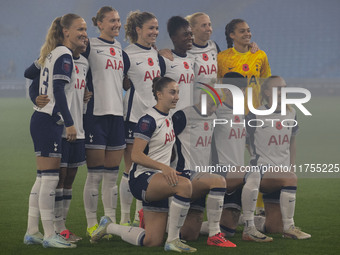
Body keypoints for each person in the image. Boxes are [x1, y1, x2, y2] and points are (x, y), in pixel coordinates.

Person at [90, 77, 197, 253]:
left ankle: (108, 226)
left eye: (178, 92)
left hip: (159, 181)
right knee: (185, 185)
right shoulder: (148, 120)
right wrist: (164, 167)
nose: (176, 96)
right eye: (172, 92)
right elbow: (136, 155)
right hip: (142, 179)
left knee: (151, 240)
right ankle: (173, 240)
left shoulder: (168, 116)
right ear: (159, 94)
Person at [23, 13, 87, 248]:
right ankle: (50, 234)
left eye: (85, 29)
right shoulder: (64, 54)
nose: (83, 33)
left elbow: (34, 76)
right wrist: (69, 121)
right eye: (79, 28)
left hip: (44, 120)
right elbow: (58, 89)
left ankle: (32, 231)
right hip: (49, 121)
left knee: (43, 179)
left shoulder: (52, 53)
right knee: (50, 180)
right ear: (65, 32)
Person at [200, 72, 273, 242]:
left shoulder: (243, 114)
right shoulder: (216, 113)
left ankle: (193, 226)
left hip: (238, 174)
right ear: (225, 89)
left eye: (242, 89)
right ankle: (250, 227)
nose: (239, 92)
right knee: (253, 173)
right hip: (221, 171)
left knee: (227, 231)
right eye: (235, 89)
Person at [246, 76, 311, 239]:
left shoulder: (292, 113)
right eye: (278, 88)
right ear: (267, 92)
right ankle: (290, 228)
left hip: (281, 173)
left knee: (274, 227)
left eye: (284, 87)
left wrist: (291, 165)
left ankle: (248, 220)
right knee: (290, 179)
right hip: (261, 171)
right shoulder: (255, 115)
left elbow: (292, 141)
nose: (282, 91)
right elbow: (243, 140)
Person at [82, 6, 127, 236]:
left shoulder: (120, 48)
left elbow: (126, 79)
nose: (117, 24)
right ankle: (91, 224)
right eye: (111, 20)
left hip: (116, 117)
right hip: (95, 116)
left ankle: (108, 223)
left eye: (118, 20)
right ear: (99, 23)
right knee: (95, 174)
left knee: (112, 175)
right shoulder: (88, 45)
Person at [218, 18, 271, 214]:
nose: (247, 34)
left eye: (249, 30)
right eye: (242, 31)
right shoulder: (222, 58)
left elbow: (265, 83)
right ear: (232, 35)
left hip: (254, 115)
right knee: (233, 161)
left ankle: (258, 207)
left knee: (259, 160)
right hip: (232, 116)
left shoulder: (260, 55)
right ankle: (229, 205)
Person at [172, 90, 237, 248]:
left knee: (190, 234)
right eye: (210, 104)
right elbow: (165, 142)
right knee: (218, 181)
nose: (213, 109)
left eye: (216, 106)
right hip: (185, 174)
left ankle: (169, 223)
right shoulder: (182, 116)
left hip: (202, 175)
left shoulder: (213, 118)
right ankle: (215, 234)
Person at [120, 10, 166, 226]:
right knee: (130, 169)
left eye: (156, 28)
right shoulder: (126, 54)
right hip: (134, 118)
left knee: (147, 169)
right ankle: (123, 217)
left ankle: (141, 216)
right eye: (150, 28)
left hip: (154, 120)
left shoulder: (157, 55)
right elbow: (120, 82)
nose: (155, 32)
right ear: (138, 30)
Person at [163, 16, 195, 110]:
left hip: (190, 117)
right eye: (185, 35)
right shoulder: (165, 60)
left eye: (191, 34)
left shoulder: (192, 60)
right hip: (172, 117)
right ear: (174, 38)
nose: (190, 38)